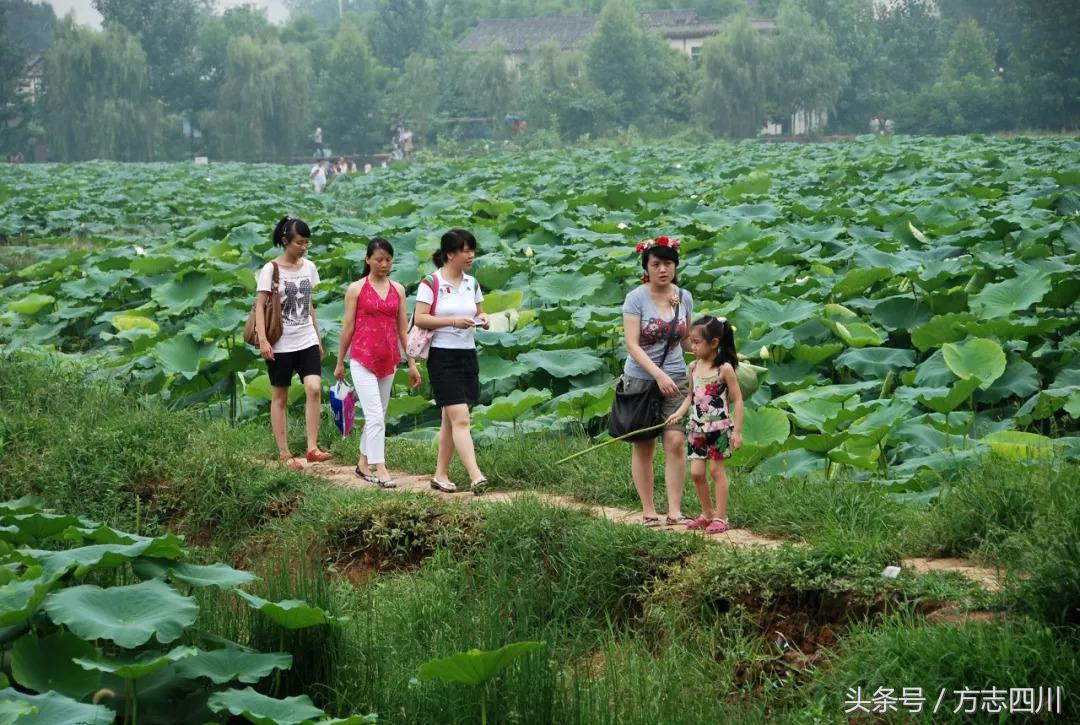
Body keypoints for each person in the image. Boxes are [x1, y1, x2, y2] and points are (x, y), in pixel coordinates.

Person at [334, 238, 421, 487]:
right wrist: (340, 361)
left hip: (388, 358)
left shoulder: (399, 289)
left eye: (388, 260)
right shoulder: (356, 289)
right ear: (367, 260)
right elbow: (348, 327)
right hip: (362, 357)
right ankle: (380, 468)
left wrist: (412, 363)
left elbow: (404, 330)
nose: (384, 264)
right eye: (378, 259)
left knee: (379, 415)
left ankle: (362, 464)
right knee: (373, 415)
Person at [621, 236, 693, 526]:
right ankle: (649, 510)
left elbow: (686, 340)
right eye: (656, 264)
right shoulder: (635, 298)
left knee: (675, 442)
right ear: (646, 268)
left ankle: (674, 511)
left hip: (676, 379)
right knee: (644, 444)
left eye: (668, 263)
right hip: (640, 380)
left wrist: (714, 354)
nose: (663, 269)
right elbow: (632, 345)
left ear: (675, 266)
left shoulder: (684, 296)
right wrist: (658, 375)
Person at [413, 229, 490, 494]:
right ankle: (476, 475)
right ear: (450, 254)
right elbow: (420, 318)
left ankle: (440, 474)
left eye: (472, 250)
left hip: (466, 354)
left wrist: (485, 319)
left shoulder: (472, 283)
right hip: (442, 355)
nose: (471, 255)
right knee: (461, 418)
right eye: (465, 250)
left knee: (450, 417)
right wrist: (452, 321)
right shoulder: (431, 283)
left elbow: (480, 311)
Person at [254, 216, 332, 471]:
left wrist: (318, 337)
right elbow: (259, 307)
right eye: (299, 242)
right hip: (281, 341)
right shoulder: (271, 270)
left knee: (314, 388)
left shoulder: (309, 267)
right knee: (280, 397)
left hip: (306, 336)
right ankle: (285, 453)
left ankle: (312, 447)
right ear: (285, 241)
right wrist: (263, 339)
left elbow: (309, 304)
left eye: (307, 242)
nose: (304, 247)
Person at [666, 316, 744, 534]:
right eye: (691, 341)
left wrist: (737, 431)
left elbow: (738, 399)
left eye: (697, 342)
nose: (693, 346)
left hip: (719, 429)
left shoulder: (724, 369)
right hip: (696, 428)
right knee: (697, 473)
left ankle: (721, 517)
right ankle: (707, 513)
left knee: (716, 471)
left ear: (714, 343)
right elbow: (690, 397)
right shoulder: (693, 367)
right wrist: (678, 414)